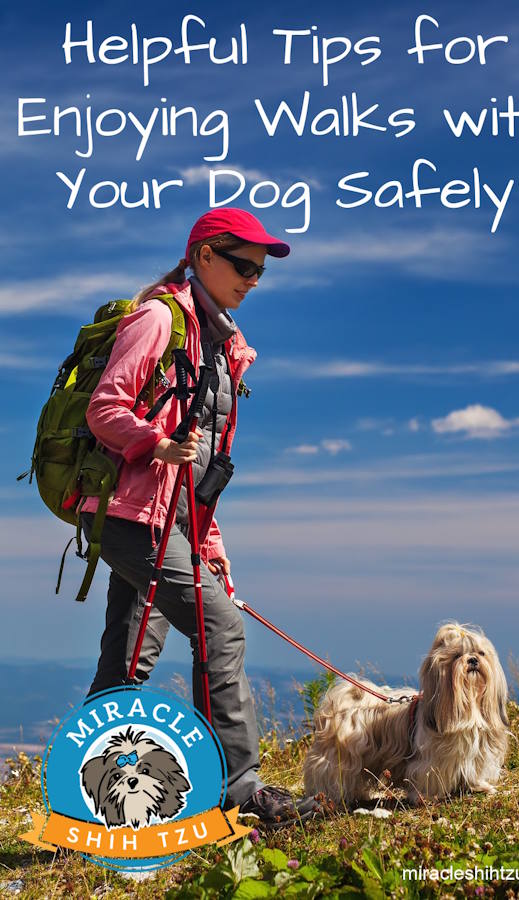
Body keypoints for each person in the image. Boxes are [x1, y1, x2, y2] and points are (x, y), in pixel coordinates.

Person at [80, 207, 322, 828]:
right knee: (222, 631)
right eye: (243, 265)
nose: (252, 280)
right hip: (135, 518)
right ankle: (241, 793)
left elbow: (201, 465)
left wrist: (208, 540)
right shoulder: (160, 318)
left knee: (128, 659)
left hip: (170, 521)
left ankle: (81, 805)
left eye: (260, 272)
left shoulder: (220, 344)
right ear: (204, 256)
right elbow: (105, 408)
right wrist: (153, 443)